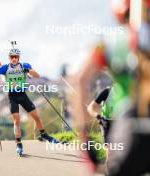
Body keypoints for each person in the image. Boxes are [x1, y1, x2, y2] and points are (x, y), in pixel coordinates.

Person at [74, 0, 150, 175]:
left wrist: (85, 140)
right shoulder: (106, 92)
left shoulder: (113, 41)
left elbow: (80, 80)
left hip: (131, 128)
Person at [0, 46, 59, 156]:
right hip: (12, 96)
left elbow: (36, 75)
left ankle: (44, 134)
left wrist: (28, 70)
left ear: (18, 57)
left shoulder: (24, 65)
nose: (14, 58)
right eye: (12, 57)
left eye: (16, 57)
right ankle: (19, 144)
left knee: (36, 117)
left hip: (23, 95)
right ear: (9, 58)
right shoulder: (5, 68)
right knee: (16, 120)